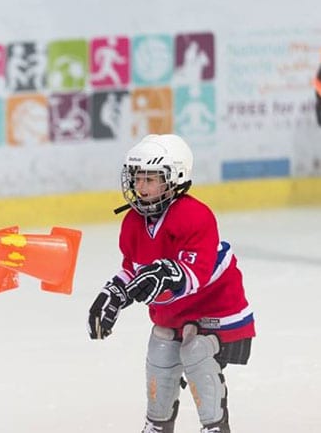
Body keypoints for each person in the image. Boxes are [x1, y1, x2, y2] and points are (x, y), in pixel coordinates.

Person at [87, 134, 255, 433]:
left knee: (196, 350)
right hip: (174, 313)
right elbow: (133, 269)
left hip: (217, 307)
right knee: (161, 346)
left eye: (150, 179)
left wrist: (167, 273)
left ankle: (215, 427)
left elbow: (195, 274)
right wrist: (113, 294)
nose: (140, 186)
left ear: (174, 179)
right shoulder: (133, 223)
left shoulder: (194, 215)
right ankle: (157, 425)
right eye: (138, 178)